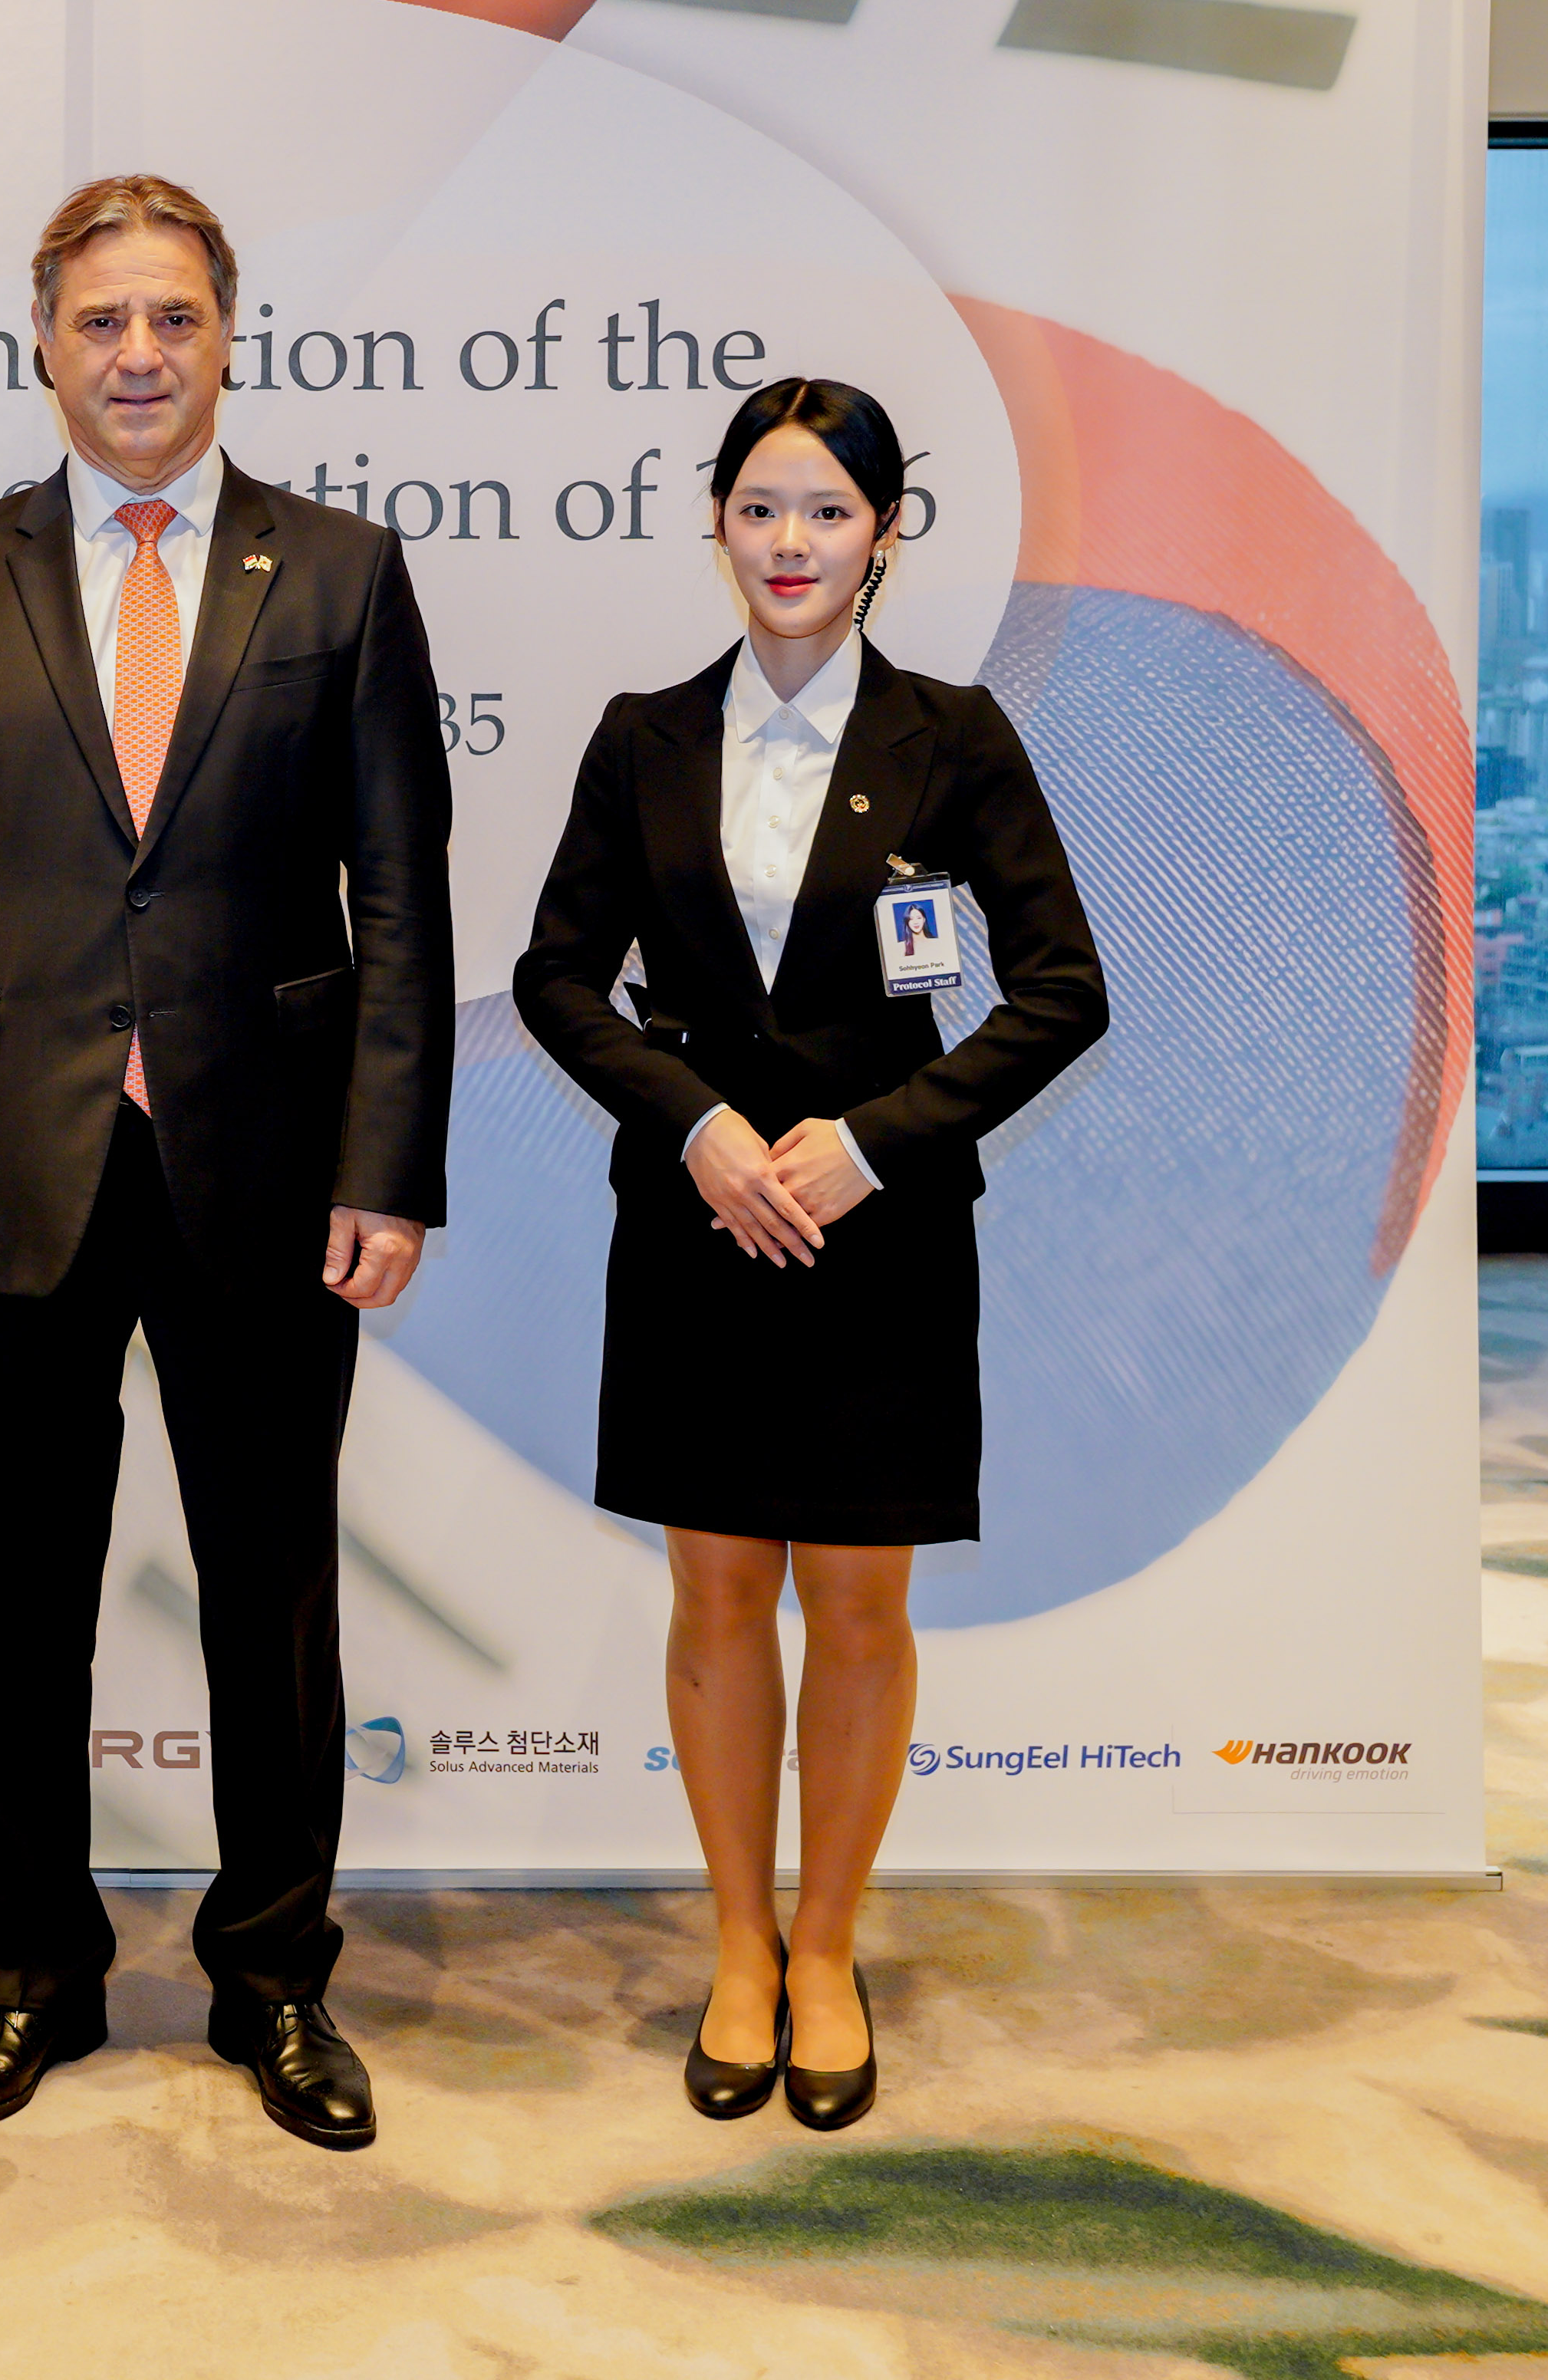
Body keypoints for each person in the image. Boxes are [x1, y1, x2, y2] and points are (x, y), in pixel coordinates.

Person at [0, 173, 453, 2151]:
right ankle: (36, 1968)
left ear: (228, 334)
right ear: (44, 338)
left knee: (273, 1591)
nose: (138, 353)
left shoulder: (338, 572)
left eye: (174, 315)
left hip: (269, 1165)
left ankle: (275, 1979)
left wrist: (388, 1164)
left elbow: (402, 898)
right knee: (16, 1594)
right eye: (102, 318)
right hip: (4, 1161)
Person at [511, 374, 1105, 2131]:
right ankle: (738, 1945)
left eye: (828, 510)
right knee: (713, 1594)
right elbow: (556, 975)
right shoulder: (641, 735)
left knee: (857, 1603)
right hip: (696, 1223)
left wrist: (870, 1142)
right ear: (717, 523)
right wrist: (692, 1118)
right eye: (761, 506)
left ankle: (827, 1946)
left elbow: (1063, 991)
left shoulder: (956, 735)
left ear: (884, 534)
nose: (791, 541)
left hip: (881, 1234)